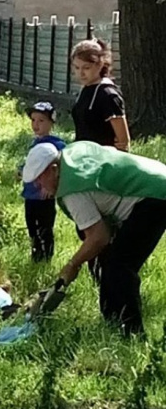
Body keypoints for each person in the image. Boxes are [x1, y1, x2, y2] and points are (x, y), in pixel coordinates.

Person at [22, 140, 166, 336]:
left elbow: (99, 236)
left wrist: (72, 265)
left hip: (154, 196)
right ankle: (112, 323)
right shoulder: (71, 154)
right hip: (156, 176)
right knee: (106, 259)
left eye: (40, 179)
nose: (38, 186)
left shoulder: (72, 190)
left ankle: (131, 335)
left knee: (120, 266)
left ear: (54, 169)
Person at [21, 102, 66, 262]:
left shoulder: (57, 145)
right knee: (32, 228)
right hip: (30, 195)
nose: (36, 125)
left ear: (51, 123)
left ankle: (46, 256)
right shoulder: (35, 143)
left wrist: (53, 185)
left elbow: (61, 166)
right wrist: (21, 171)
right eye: (33, 120)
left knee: (45, 228)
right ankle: (36, 255)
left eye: (41, 121)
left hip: (43, 196)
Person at [71, 39, 130, 151]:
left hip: (103, 160)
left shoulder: (108, 94)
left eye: (86, 68)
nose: (81, 73)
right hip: (82, 157)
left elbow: (123, 142)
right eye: (77, 68)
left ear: (100, 64)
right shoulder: (85, 89)